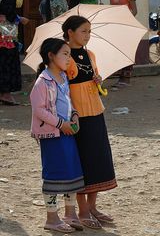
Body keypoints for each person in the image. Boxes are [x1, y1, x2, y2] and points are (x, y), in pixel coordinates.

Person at [62, 16, 117, 229]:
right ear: (70, 32)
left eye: (89, 31)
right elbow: (61, 85)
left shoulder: (89, 53)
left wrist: (98, 80)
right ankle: (82, 211)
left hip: (95, 111)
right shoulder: (64, 56)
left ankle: (93, 207)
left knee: (98, 160)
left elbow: (90, 79)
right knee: (82, 162)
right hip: (76, 116)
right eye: (83, 31)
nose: (88, 35)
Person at [30, 38, 85, 233]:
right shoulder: (42, 81)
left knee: (71, 172)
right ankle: (52, 218)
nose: (69, 58)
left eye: (69, 54)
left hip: (67, 133)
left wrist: (75, 115)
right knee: (54, 174)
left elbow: (68, 102)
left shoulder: (63, 78)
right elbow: (39, 110)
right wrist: (62, 124)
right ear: (51, 56)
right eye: (65, 54)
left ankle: (71, 214)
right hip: (52, 135)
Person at [108, 0, 137, 88]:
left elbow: (135, 11)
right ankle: (121, 78)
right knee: (118, 51)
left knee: (126, 51)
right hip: (116, 26)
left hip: (126, 26)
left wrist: (125, 21)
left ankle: (126, 79)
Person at [0, 0, 21, 105]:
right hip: (6, 33)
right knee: (7, 61)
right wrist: (20, 18)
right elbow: (10, 14)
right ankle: (5, 93)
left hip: (5, 32)